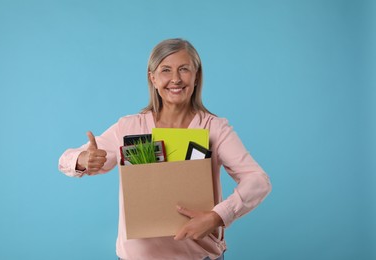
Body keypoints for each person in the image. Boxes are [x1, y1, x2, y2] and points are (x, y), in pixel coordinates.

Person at [58, 38, 271, 260]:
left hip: (200, 257)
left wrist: (218, 216)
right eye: (166, 70)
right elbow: (65, 160)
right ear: (153, 77)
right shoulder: (129, 127)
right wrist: (84, 159)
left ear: (196, 76)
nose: (175, 79)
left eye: (184, 69)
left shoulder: (214, 128)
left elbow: (258, 180)